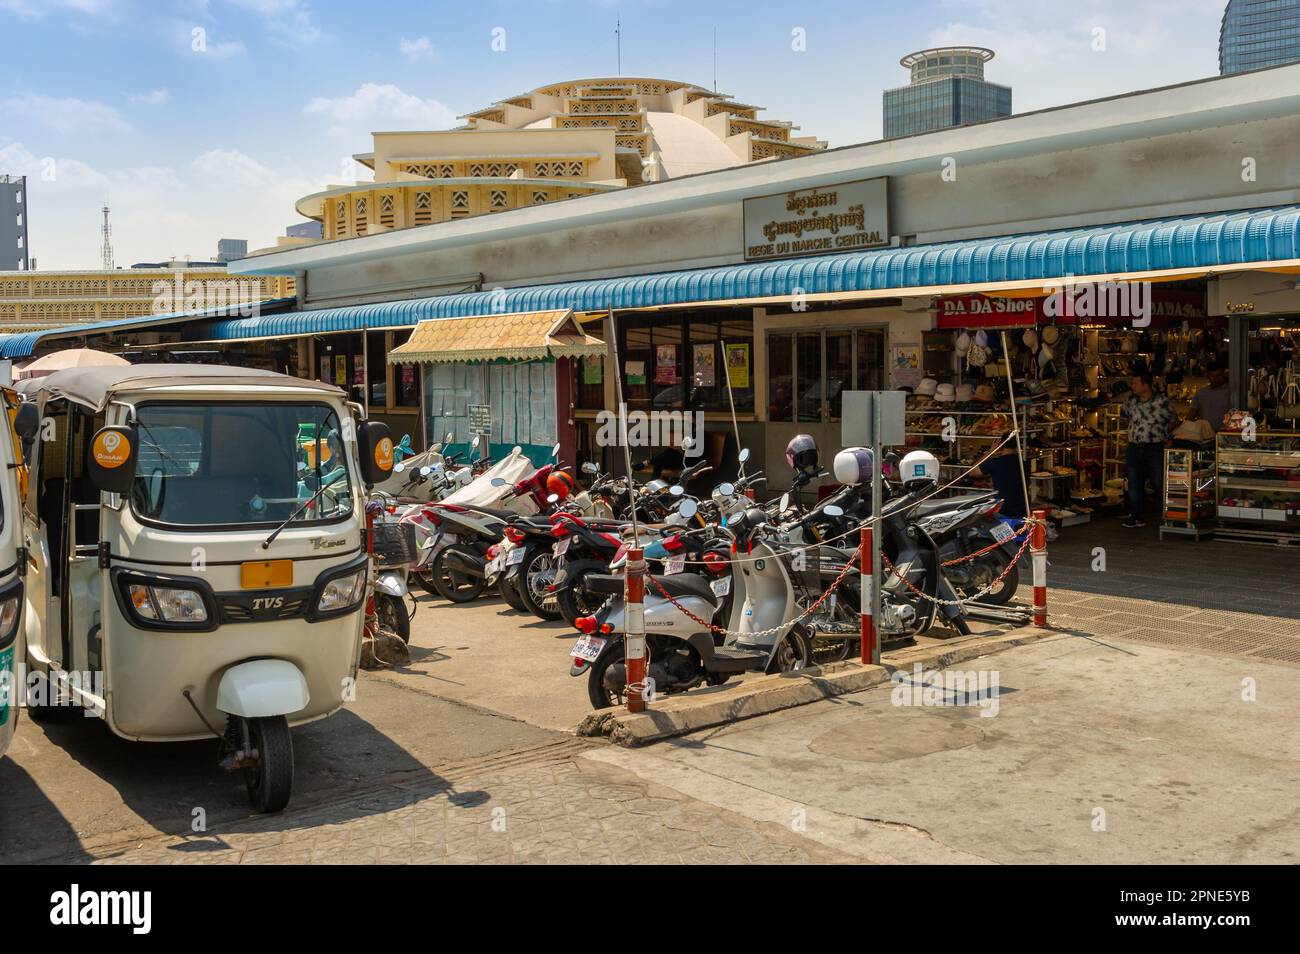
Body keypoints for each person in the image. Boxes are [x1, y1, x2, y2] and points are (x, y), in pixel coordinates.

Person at [1119, 371, 1177, 528]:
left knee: (1158, 481)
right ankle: (1137, 516)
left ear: (1146, 385)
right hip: (1134, 445)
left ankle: (1170, 514)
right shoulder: (1130, 401)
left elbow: (1173, 420)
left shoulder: (1162, 401)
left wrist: (1162, 433)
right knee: (1134, 482)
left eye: (1135, 383)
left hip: (1154, 446)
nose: (1132, 386)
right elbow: (1125, 417)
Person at [972, 433, 1029, 521]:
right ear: (1018, 445)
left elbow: (972, 472)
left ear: (1000, 445)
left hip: (1002, 510)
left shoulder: (995, 463)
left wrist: (991, 451)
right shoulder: (1024, 463)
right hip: (1022, 510)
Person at [1189, 362, 1231, 433]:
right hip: (1205, 437)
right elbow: (1190, 416)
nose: (1216, 379)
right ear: (1207, 376)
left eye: (1219, 375)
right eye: (1212, 376)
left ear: (1223, 374)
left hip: (1226, 435)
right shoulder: (1201, 393)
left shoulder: (1231, 392)